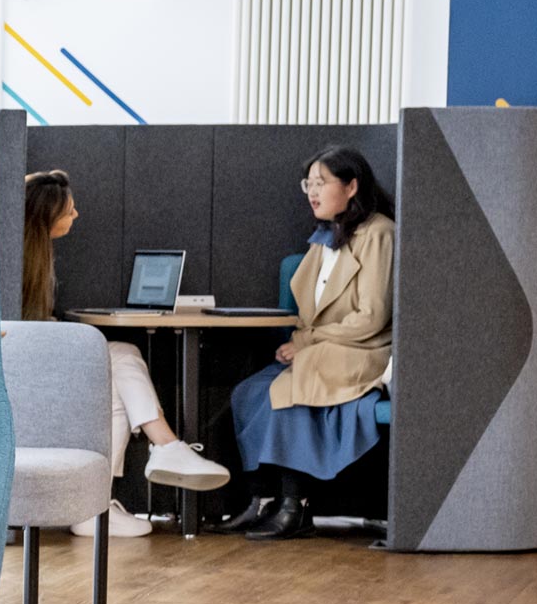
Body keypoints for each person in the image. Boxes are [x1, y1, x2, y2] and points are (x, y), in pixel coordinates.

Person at [22, 169, 231, 537]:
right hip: (24, 372)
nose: (77, 215)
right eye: (69, 210)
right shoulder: (20, 262)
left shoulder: (31, 257)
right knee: (120, 356)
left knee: (115, 379)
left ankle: (96, 505)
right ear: (47, 216)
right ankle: (165, 447)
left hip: (36, 363)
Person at [214, 145, 395, 540]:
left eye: (321, 183)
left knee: (295, 385)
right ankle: (261, 498)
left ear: (351, 187)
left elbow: (372, 318)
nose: (312, 192)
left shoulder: (379, 232)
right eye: (308, 184)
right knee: (250, 392)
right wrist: (304, 341)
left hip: (362, 349)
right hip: (323, 347)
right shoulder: (324, 237)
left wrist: (308, 342)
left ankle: (296, 506)